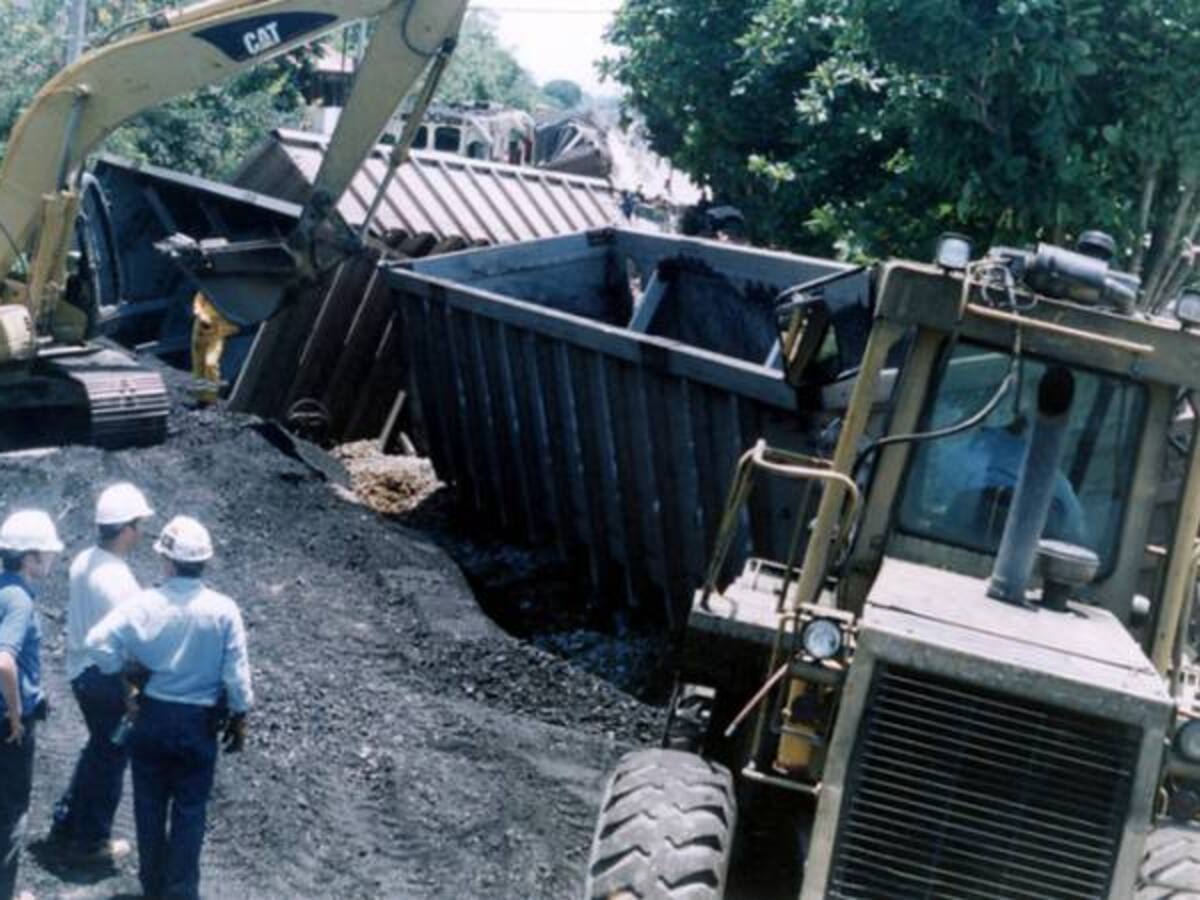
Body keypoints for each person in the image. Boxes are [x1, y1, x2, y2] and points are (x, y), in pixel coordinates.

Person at [85, 515, 252, 900]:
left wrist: (123, 673)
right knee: (190, 810)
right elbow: (237, 676)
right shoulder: (223, 610)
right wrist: (240, 717)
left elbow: (98, 642)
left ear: (167, 561)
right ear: (204, 562)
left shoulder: (144, 604)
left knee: (148, 806)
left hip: (152, 717)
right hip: (199, 721)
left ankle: (152, 887)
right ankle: (181, 892)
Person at [50, 483, 154, 861]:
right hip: (103, 678)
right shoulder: (117, 581)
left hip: (81, 672)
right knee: (111, 756)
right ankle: (91, 841)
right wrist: (130, 693)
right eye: (139, 525)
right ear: (126, 528)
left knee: (98, 746)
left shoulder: (85, 559)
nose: (141, 532)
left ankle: (66, 820)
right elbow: (128, 647)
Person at [0, 510, 63, 900]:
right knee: (10, 812)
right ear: (30, 558)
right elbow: (4, 660)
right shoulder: (20, 598)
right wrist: (17, 712)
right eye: (46, 553)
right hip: (6, 722)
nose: (52, 559)